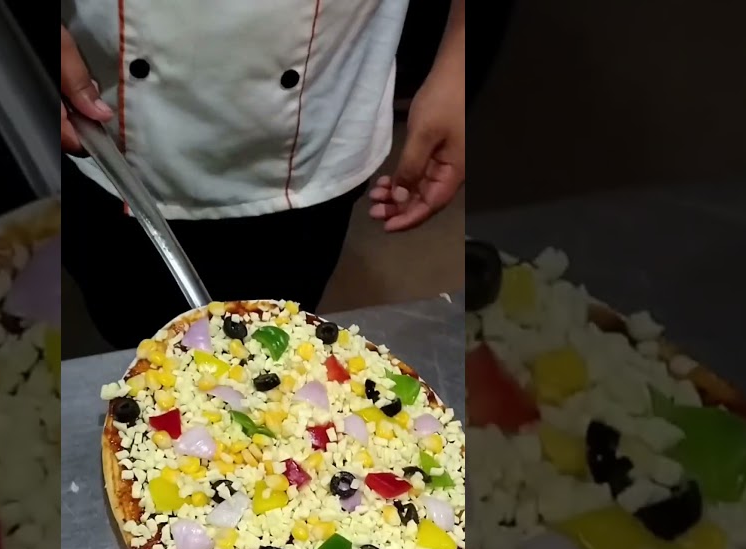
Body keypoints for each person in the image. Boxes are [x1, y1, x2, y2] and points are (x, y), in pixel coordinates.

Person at [60, 1, 467, 350]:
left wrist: (459, 59)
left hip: (317, 127)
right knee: (125, 328)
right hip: (106, 133)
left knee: (277, 332)